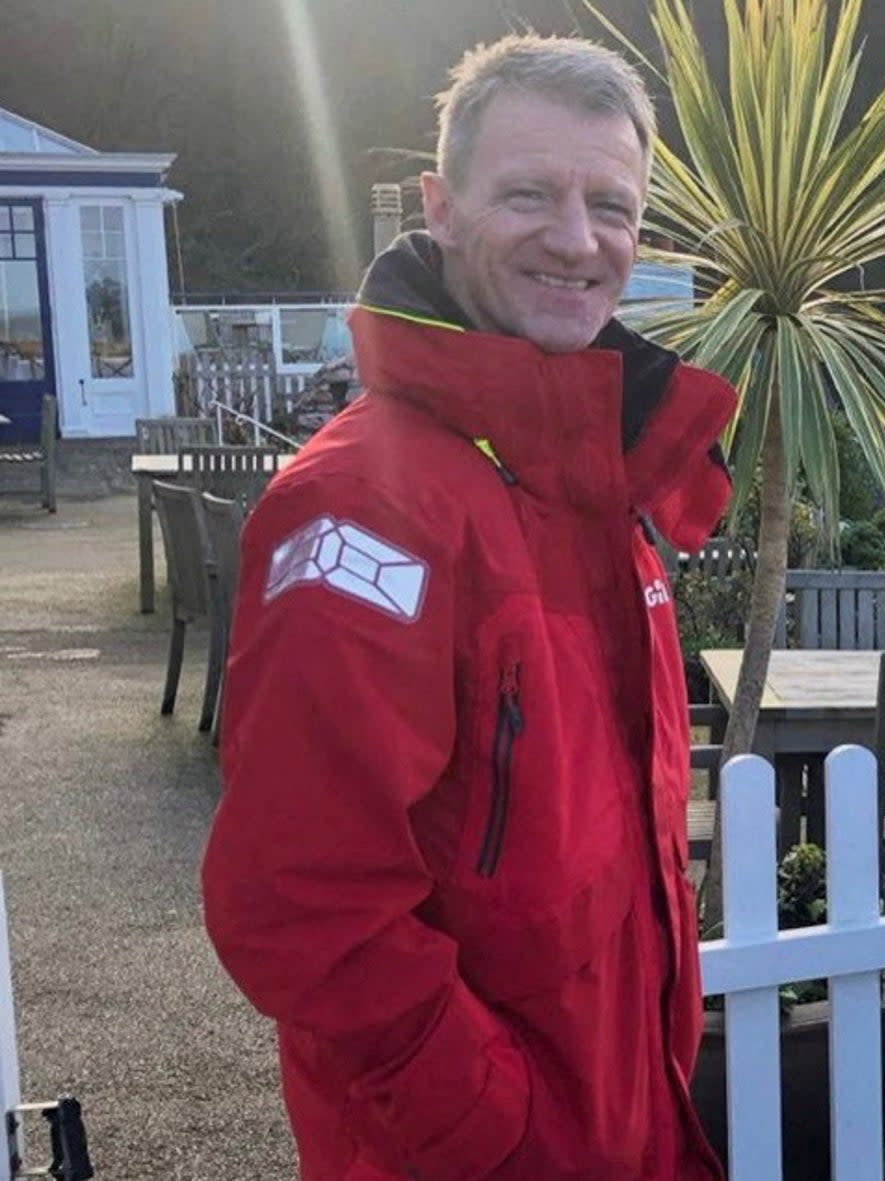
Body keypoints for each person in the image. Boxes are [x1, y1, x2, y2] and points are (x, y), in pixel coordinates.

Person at [202, 33, 737, 1181]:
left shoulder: (598, 484)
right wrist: (506, 1131)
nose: (578, 239)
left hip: (624, 1123)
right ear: (441, 209)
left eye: (612, 204)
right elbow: (301, 904)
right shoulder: (362, 509)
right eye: (529, 194)